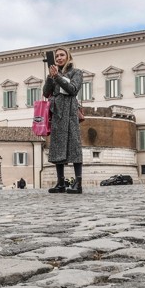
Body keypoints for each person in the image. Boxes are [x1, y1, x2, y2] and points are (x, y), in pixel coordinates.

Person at [43, 47, 85, 193]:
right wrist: (51, 77)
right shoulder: (53, 74)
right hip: (57, 114)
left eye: (62, 55)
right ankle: (60, 183)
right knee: (57, 148)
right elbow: (45, 92)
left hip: (71, 113)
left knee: (74, 147)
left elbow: (73, 89)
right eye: (57, 56)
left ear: (68, 57)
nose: (59, 58)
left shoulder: (76, 72)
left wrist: (58, 78)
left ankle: (78, 183)